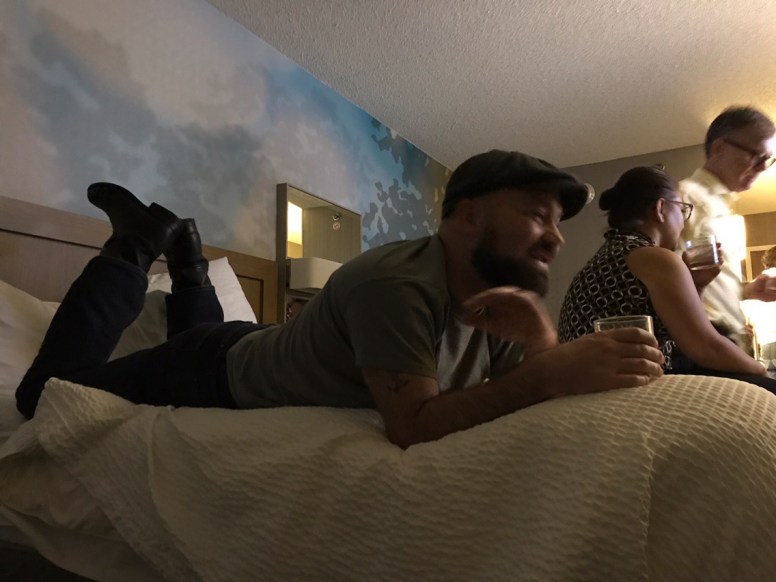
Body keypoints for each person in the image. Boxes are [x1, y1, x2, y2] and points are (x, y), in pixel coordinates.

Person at [16, 150, 665, 449]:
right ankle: (133, 247)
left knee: (199, 330)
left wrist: (542, 341)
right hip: (210, 369)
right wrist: (548, 370)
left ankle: (189, 258)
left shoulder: (498, 295)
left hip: (254, 343)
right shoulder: (397, 284)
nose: (556, 236)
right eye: (537, 214)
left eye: (558, 222)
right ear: (467, 216)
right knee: (41, 397)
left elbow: (522, 392)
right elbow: (412, 426)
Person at [558, 166, 775, 390]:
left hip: (584, 385)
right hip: (625, 386)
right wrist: (760, 369)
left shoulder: (612, 254)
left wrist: (696, 285)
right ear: (661, 208)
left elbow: (683, 334)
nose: (684, 222)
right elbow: (705, 347)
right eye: (682, 210)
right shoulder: (654, 258)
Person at [678, 106, 776, 352]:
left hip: (730, 344)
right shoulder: (684, 199)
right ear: (720, 148)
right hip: (705, 345)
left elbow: (709, 284)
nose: (763, 168)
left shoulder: (726, 212)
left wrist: (748, 290)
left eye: (768, 159)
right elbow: (670, 282)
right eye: (757, 156)